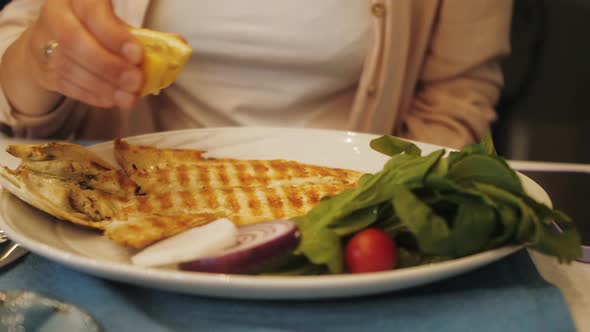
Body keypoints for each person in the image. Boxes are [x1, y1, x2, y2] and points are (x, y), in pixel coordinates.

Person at [0, 0, 512, 148]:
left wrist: (378, 211)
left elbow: (456, 98)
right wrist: (40, 61)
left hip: (350, 227)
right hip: (131, 219)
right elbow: (20, 61)